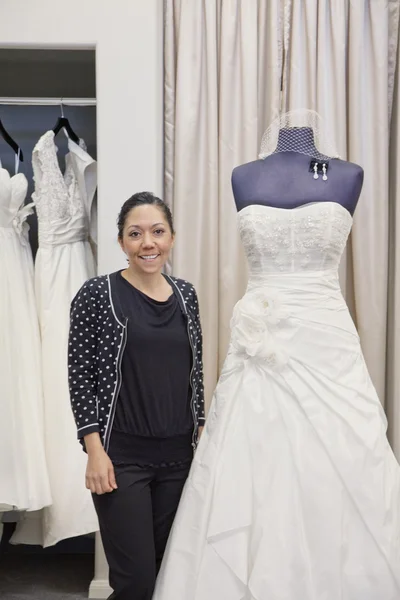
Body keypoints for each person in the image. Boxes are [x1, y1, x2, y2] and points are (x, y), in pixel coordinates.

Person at [152, 112, 400, 600]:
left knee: (337, 460)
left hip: (326, 341)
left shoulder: (349, 174)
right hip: (257, 349)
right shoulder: (242, 175)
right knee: (253, 459)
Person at [68, 191, 205, 600]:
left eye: (157, 232)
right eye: (136, 233)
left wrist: (200, 431)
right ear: (121, 242)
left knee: (168, 575)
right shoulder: (97, 294)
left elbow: (194, 373)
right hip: (121, 460)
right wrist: (94, 450)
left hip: (179, 459)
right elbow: (80, 375)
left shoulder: (186, 295)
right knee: (135, 581)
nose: (148, 243)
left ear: (172, 238)